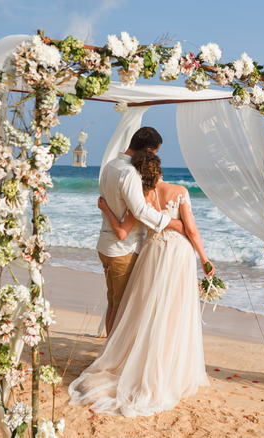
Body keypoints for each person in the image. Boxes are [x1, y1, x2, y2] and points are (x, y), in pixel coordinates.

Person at [69, 149, 214, 417]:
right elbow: (191, 230)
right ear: (159, 170)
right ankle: (167, 370)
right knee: (173, 312)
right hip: (178, 255)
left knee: (147, 310)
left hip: (151, 253)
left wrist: (106, 210)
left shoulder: (142, 196)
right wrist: (205, 259)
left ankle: (138, 361)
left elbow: (125, 228)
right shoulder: (180, 190)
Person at [95, 127, 183, 335]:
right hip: (123, 249)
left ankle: (109, 351)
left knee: (113, 304)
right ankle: (112, 355)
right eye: (155, 153)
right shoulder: (129, 173)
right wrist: (173, 223)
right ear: (148, 150)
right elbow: (141, 210)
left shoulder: (109, 166)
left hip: (106, 245)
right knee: (122, 307)